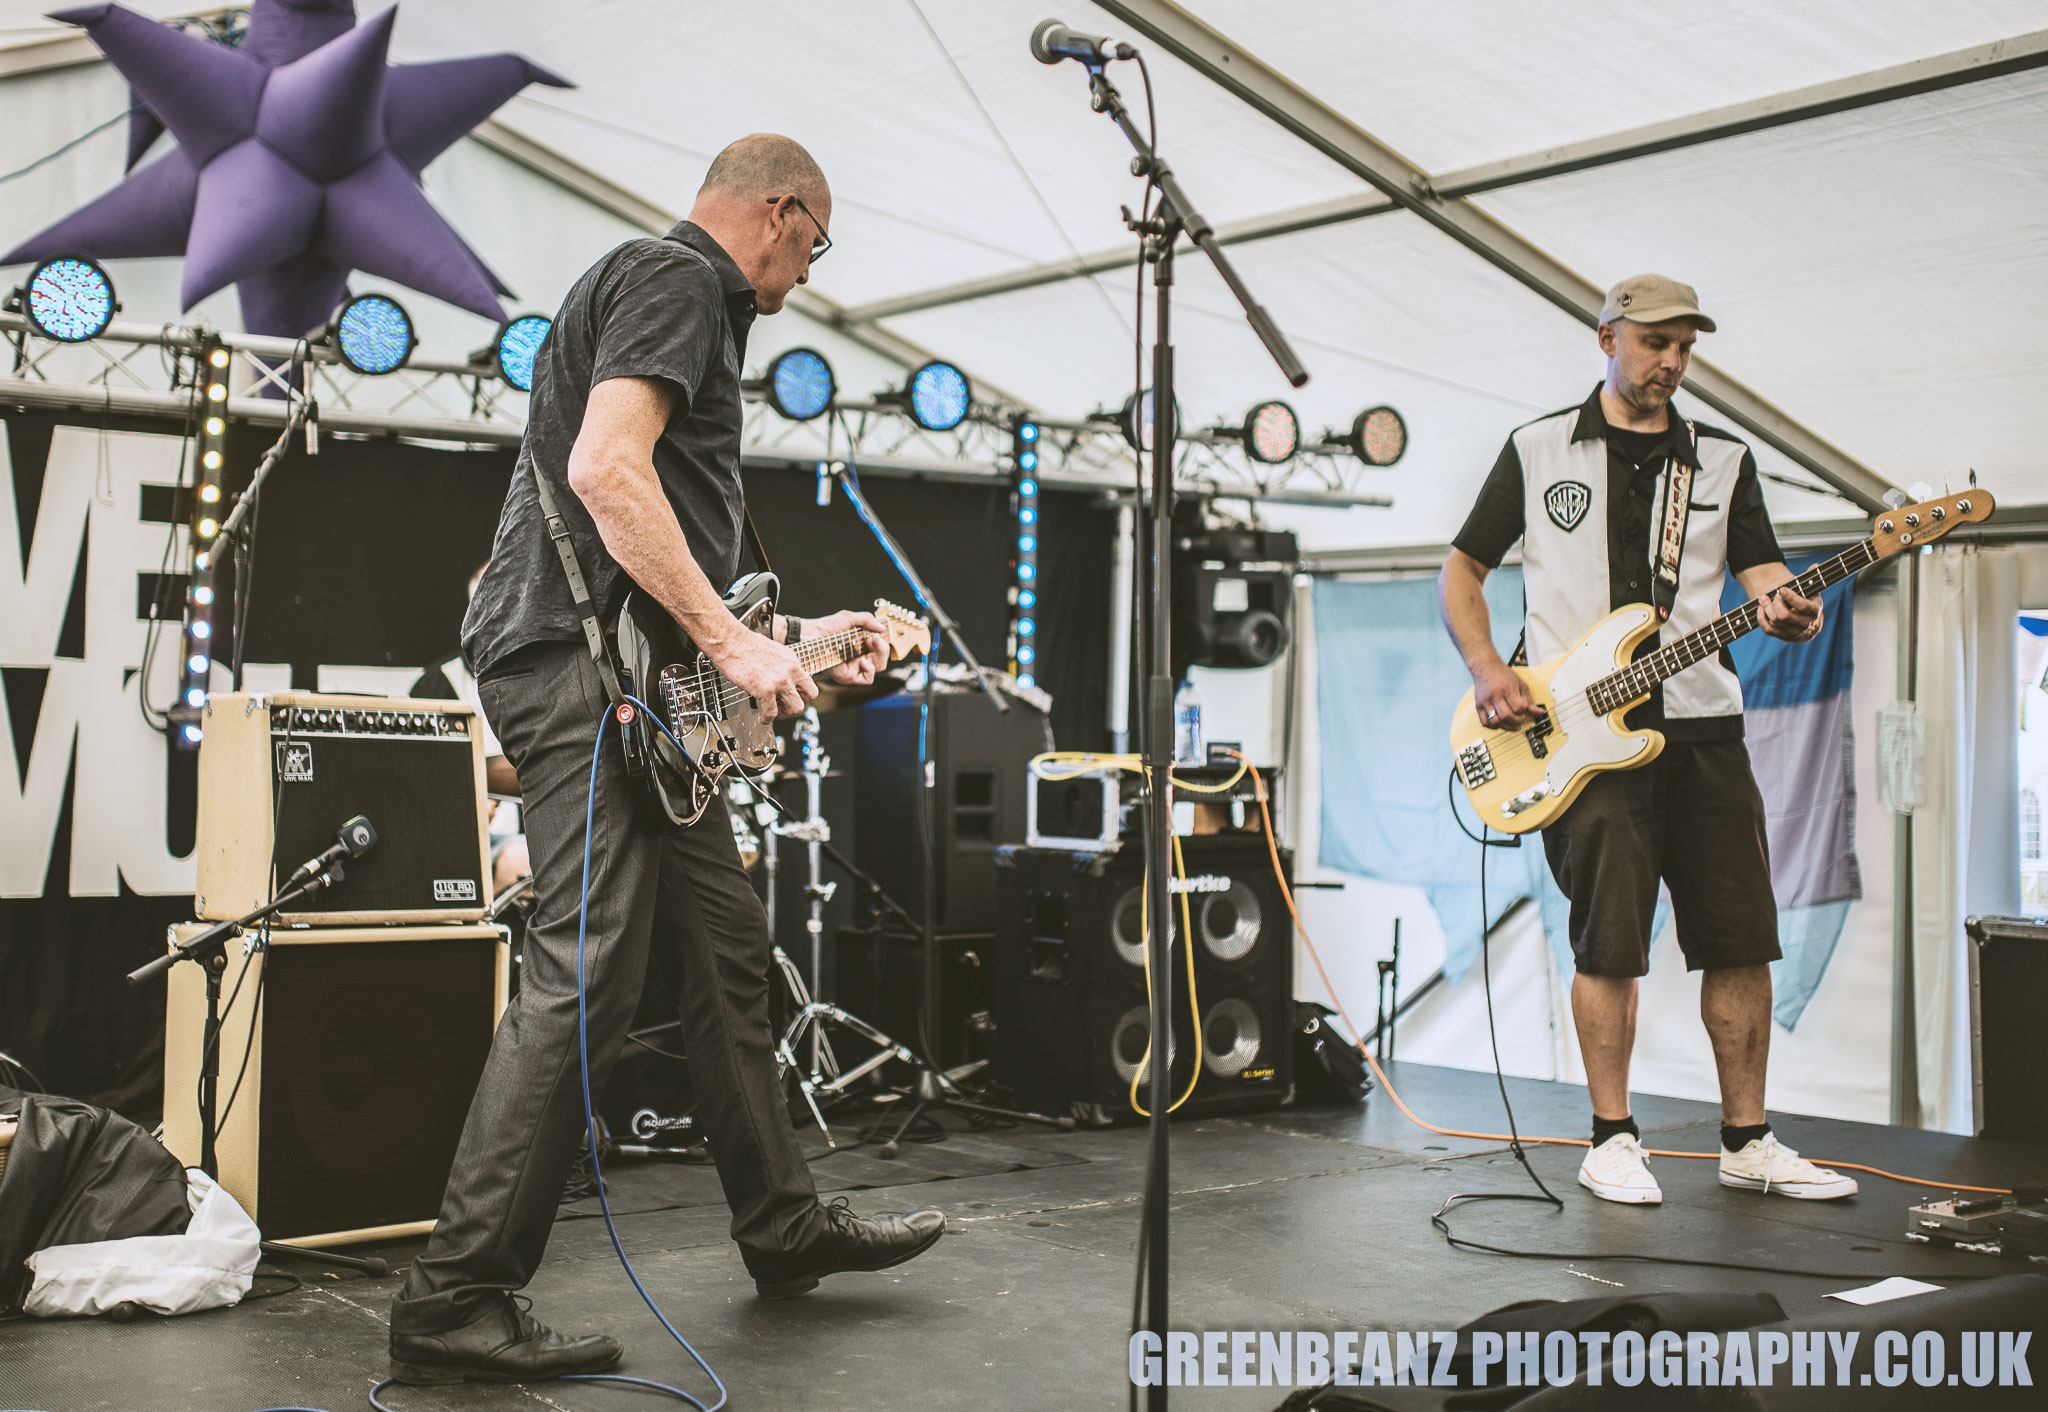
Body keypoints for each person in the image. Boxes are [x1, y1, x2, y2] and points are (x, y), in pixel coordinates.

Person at [388, 134, 944, 1388]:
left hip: (623, 683)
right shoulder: (677, 276)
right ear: (782, 212)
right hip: (565, 670)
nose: (806, 270)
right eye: (815, 244)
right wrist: (735, 648)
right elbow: (601, 469)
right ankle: (455, 1296)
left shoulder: (685, 313)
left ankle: (783, 1222)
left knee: (723, 945)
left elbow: (698, 607)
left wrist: (815, 641)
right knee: (585, 963)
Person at [1436, 273, 1859, 1209]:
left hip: (1705, 731)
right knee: (1611, 945)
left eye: (1684, 348)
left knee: (1742, 939)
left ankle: (1747, 1141)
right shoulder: (1537, 449)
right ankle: (1611, 1138)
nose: (1670, 362)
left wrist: (1791, 610)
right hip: (1577, 735)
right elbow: (1463, 567)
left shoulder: (1723, 460)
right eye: (1654, 342)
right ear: (1607, 339)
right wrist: (1485, 670)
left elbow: (1763, 573)